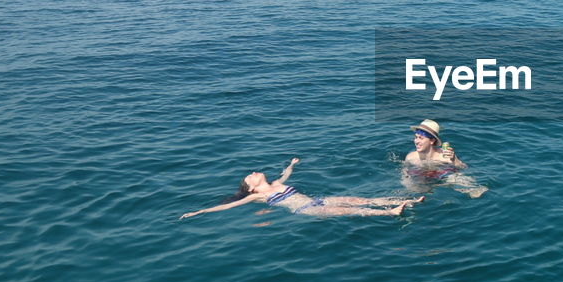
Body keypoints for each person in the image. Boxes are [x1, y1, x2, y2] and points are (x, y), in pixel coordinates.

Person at [181, 157, 421, 219]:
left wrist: (292, 165)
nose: (254, 173)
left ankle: (409, 201)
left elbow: (285, 174)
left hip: (320, 199)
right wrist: (199, 212)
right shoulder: (257, 197)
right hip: (307, 209)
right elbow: (230, 205)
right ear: (251, 189)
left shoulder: (276, 184)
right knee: (352, 210)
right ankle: (390, 212)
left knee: (358, 199)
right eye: (250, 177)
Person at [402, 119, 486, 198]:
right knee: (412, 189)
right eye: (416, 137)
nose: (416, 141)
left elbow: (464, 168)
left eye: (421, 138)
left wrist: (454, 160)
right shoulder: (410, 157)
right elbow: (405, 172)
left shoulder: (444, 155)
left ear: (432, 141)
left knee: (458, 179)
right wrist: (407, 182)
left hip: (441, 174)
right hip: (420, 175)